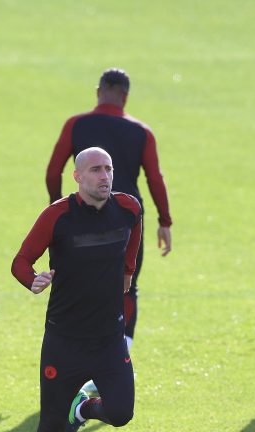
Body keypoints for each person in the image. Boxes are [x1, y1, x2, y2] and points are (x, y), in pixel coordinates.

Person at [12, 147, 142, 432]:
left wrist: (129, 272)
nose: (105, 176)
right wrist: (32, 280)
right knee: (51, 426)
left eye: (109, 168)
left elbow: (131, 243)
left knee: (121, 412)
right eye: (96, 170)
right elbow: (21, 260)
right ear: (78, 177)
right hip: (64, 342)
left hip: (108, 339)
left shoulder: (129, 209)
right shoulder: (56, 217)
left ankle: (84, 409)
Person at [45, 68, 172, 355]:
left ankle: (77, 357)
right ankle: (120, 356)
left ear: (98, 91)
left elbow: (53, 170)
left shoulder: (75, 125)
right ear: (125, 97)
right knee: (126, 286)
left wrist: (56, 207)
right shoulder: (141, 132)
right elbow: (155, 178)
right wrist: (165, 221)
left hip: (80, 217)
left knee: (77, 286)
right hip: (126, 221)